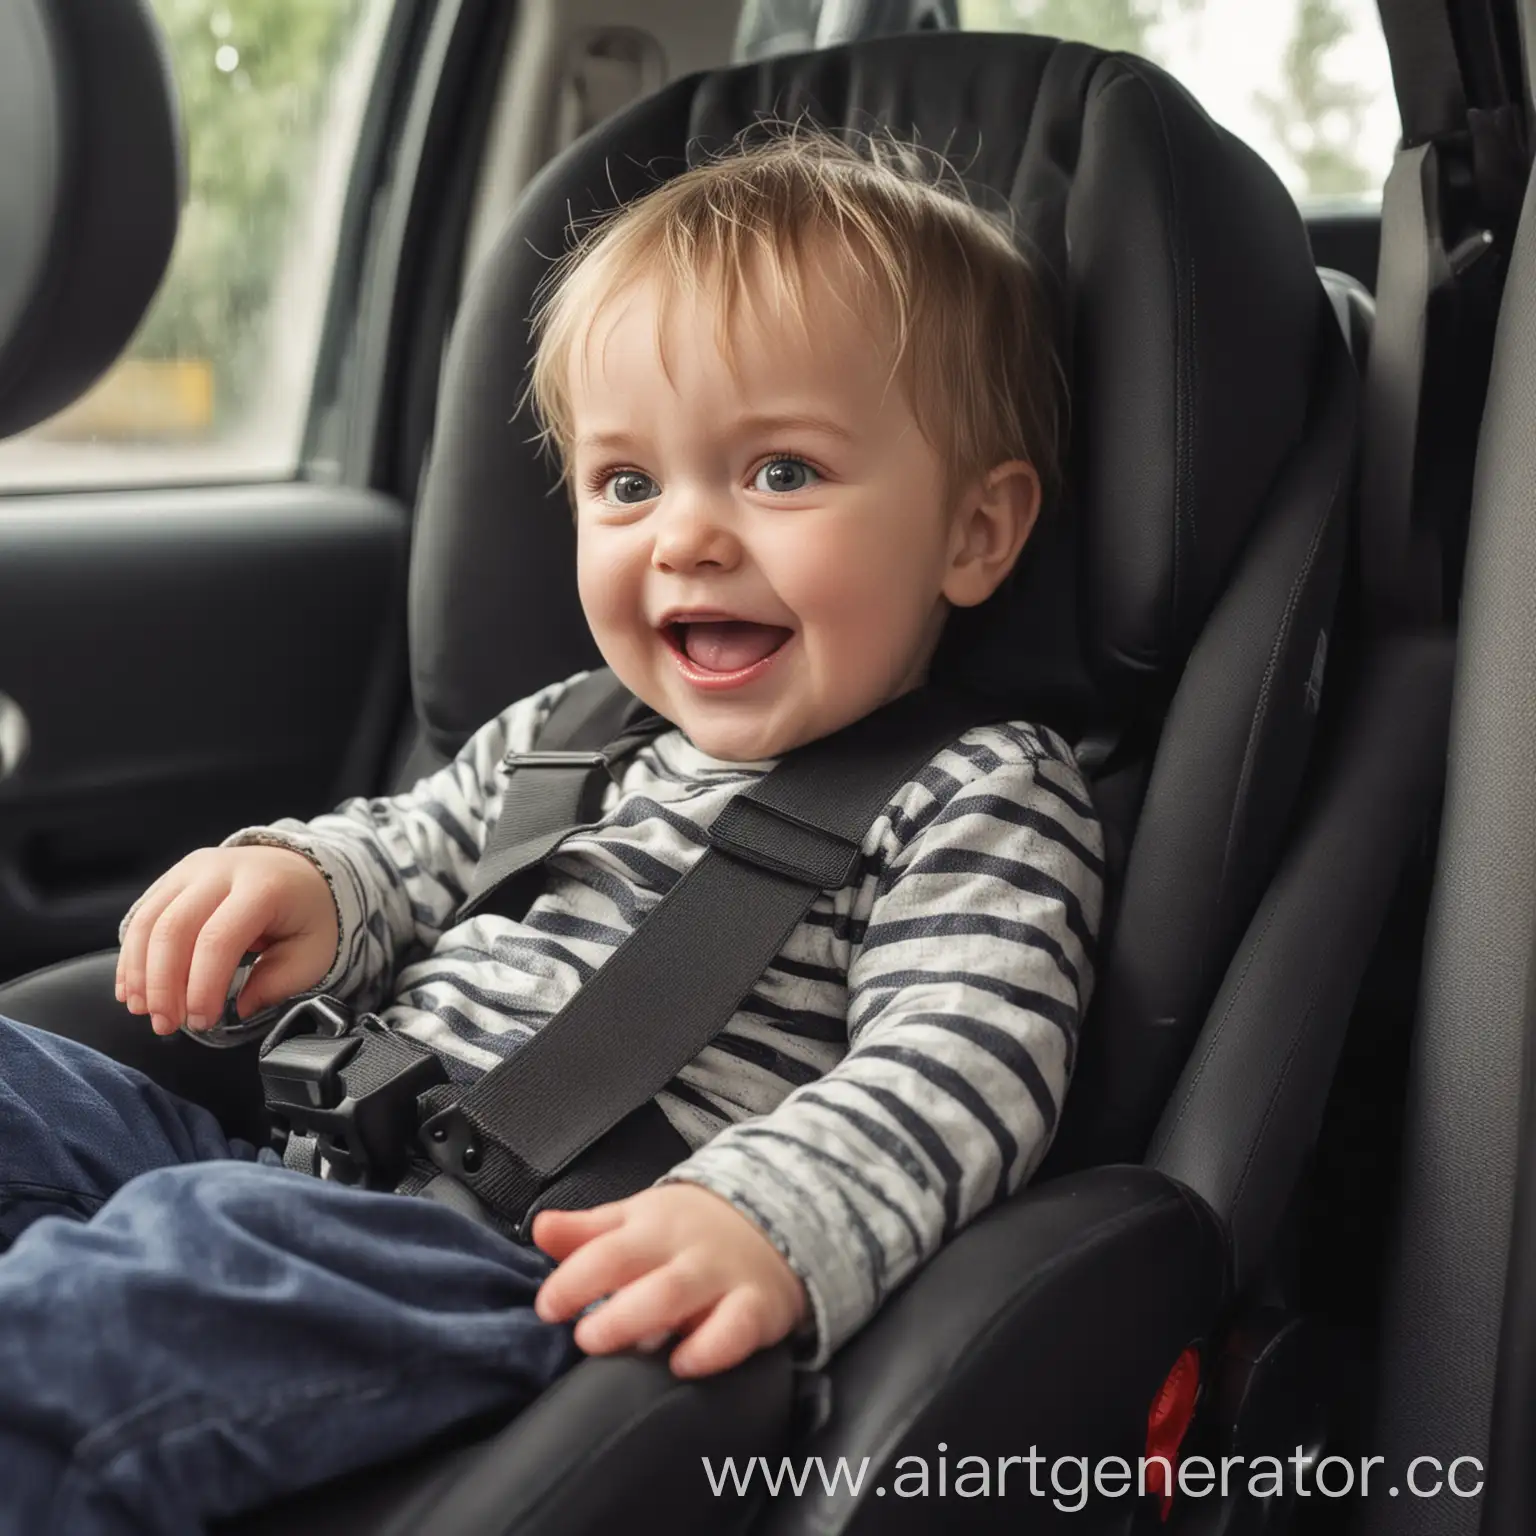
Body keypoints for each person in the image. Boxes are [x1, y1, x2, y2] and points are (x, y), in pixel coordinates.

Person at [0, 129, 1103, 1533]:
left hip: (527, 1265)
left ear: (975, 534)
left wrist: (768, 1218)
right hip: (295, 1165)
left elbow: (966, 1063)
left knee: (133, 1297)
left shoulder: (979, 793)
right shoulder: (572, 726)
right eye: (628, 485)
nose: (683, 537)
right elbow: (409, 846)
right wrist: (309, 882)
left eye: (779, 474)